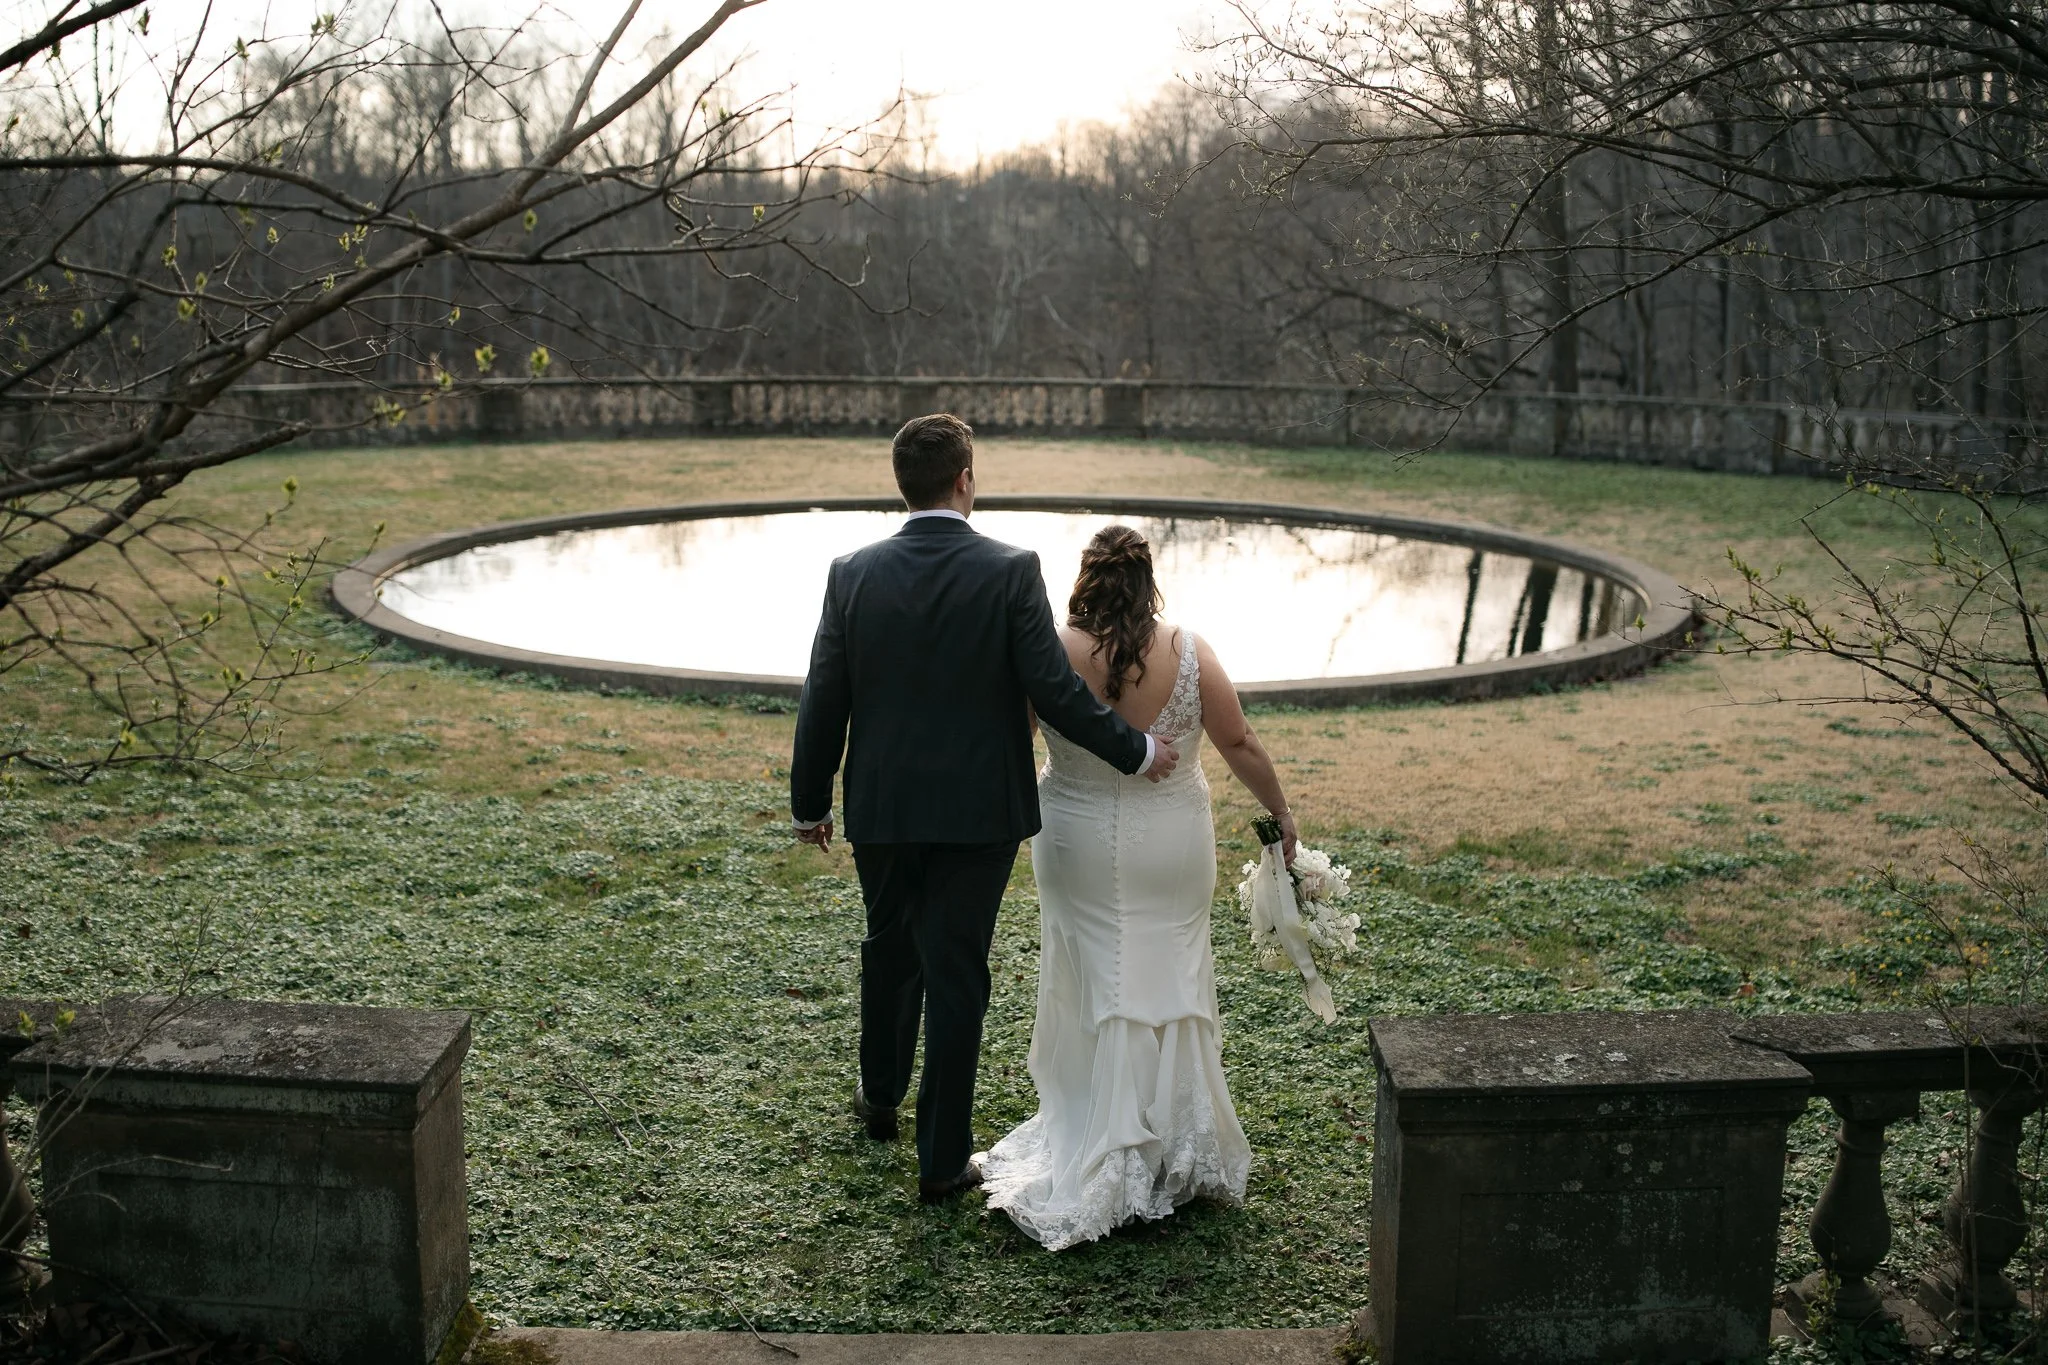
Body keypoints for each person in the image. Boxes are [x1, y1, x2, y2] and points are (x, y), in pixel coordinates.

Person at [789, 414, 1180, 1203]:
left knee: (889, 944)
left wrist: (810, 801)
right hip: (979, 813)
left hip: (884, 807)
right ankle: (941, 1162)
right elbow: (1055, 691)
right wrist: (1135, 751)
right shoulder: (1009, 569)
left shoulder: (851, 572)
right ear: (966, 476)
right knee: (957, 970)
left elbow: (824, 692)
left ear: (904, 483)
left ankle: (880, 1093)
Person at [977, 524, 1297, 1250]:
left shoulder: (1051, 649)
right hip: (1173, 840)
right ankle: (1174, 1144)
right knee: (1171, 974)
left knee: (1091, 975)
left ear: (1086, 577)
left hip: (1075, 839)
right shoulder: (1189, 650)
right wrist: (1281, 814)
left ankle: (1104, 1141)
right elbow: (1240, 741)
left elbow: (1010, 734)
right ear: (1147, 580)